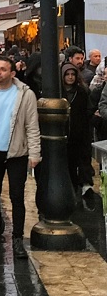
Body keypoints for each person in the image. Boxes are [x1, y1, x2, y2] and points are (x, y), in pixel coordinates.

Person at [0, 56, 41, 260]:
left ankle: (18, 238)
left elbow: (32, 125)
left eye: (3, 69)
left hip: (16, 152)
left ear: (12, 73)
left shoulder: (25, 95)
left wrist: (35, 153)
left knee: (16, 196)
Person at [62, 63, 95, 208]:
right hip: (64, 136)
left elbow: (88, 109)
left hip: (79, 134)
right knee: (68, 165)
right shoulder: (58, 92)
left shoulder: (81, 92)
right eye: (67, 74)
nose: (70, 77)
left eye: (72, 74)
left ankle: (79, 189)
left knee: (78, 161)